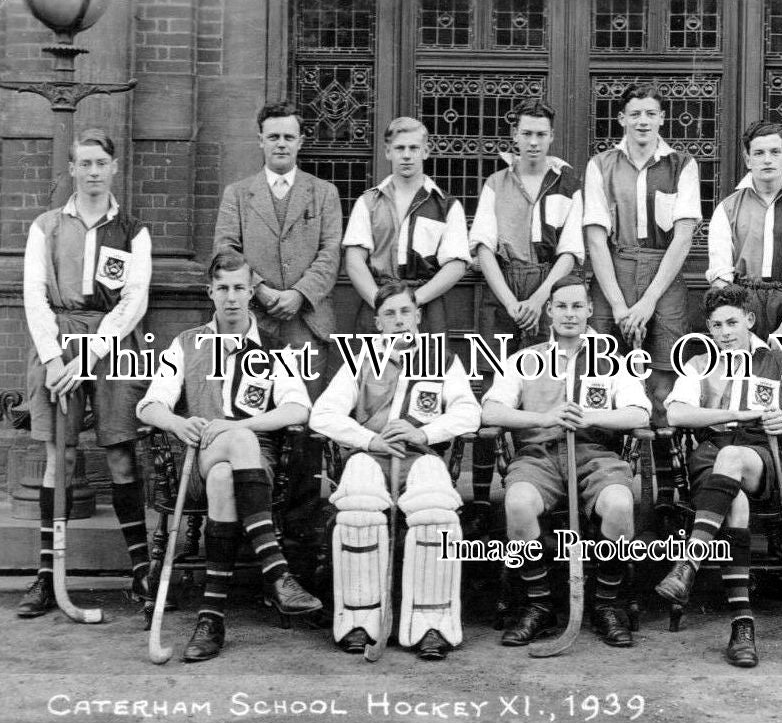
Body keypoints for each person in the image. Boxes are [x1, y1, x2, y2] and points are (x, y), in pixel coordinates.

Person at [137, 250, 323, 662]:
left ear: (252, 291)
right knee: (226, 458)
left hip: (258, 466)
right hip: (199, 455)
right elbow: (148, 405)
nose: (232, 297)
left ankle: (211, 618)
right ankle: (277, 573)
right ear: (211, 292)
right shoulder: (186, 343)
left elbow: (298, 409)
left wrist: (241, 427)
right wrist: (176, 423)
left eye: (240, 287)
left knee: (229, 469)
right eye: (223, 288)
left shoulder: (275, 348)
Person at [654, 285, 782, 667]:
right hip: (711, 459)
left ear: (749, 321)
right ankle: (742, 626)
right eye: (716, 325)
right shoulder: (699, 363)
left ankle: (689, 562)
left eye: (732, 322)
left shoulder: (778, 360)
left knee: (734, 458)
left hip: (759, 458)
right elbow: (677, 415)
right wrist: (734, 415)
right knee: (736, 505)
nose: (724, 332)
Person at [19, 129, 153, 618]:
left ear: (114, 167)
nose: (94, 172)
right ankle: (45, 575)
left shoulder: (133, 230)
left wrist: (90, 354)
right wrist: (55, 357)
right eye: (85, 164)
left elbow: (134, 300)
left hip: (113, 344)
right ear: (72, 169)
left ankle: (140, 572)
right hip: (57, 338)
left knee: (119, 452)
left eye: (102, 163)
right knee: (62, 455)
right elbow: (33, 293)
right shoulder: (47, 226)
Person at [309, 280, 480, 660]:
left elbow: (469, 413)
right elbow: (322, 415)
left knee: (435, 508)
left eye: (405, 312)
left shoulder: (442, 360)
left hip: (422, 456)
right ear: (377, 323)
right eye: (390, 314)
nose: (399, 320)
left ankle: (431, 623)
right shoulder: (362, 359)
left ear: (418, 315)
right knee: (358, 505)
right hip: (371, 456)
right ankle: (359, 620)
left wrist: (423, 431)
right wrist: (369, 440)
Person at [481, 276, 652, 649]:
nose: (570, 314)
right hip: (539, 456)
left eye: (578, 306)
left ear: (590, 310)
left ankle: (606, 604)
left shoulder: (611, 361)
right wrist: (542, 419)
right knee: (519, 503)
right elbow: (491, 409)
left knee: (620, 504)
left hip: (595, 456)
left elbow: (639, 414)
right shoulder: (525, 360)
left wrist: (592, 417)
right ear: (550, 311)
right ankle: (540, 605)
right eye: (562, 306)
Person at [582, 81, 701, 524]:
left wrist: (648, 299)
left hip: (664, 275)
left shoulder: (682, 164)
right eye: (635, 114)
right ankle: (605, 479)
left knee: (665, 374)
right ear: (622, 119)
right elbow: (595, 235)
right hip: (613, 269)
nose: (643, 121)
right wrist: (616, 303)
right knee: (602, 366)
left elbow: (685, 235)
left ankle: (666, 493)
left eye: (651, 113)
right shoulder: (602, 164)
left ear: (661, 119)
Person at [468, 98, 585, 535]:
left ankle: (548, 481)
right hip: (502, 289)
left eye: (541, 134)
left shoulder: (567, 183)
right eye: (526, 134)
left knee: (547, 383)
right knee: (494, 385)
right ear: (513, 137)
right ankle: (482, 500)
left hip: (549, 287)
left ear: (551, 137)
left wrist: (539, 299)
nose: (533, 142)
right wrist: (510, 299)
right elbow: (482, 247)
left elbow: (572, 250)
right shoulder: (496, 183)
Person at [213, 101, 343, 396]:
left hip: (306, 320)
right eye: (273, 137)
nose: (281, 144)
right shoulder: (238, 193)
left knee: (304, 412)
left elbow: (331, 252)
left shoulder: (324, 193)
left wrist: (299, 294)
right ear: (261, 140)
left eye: (288, 137)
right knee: (251, 402)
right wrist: (259, 289)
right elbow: (225, 250)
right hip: (254, 315)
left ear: (300, 142)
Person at [343, 117, 469, 337]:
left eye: (414, 148)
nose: (407, 155)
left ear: (426, 151)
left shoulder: (447, 205)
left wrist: (413, 301)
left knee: (428, 369)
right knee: (373, 369)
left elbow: (456, 265)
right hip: (378, 302)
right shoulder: (369, 202)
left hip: (426, 305)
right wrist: (381, 302)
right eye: (400, 148)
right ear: (388, 152)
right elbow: (354, 260)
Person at [707, 122, 782, 342]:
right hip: (743, 305)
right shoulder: (728, 207)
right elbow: (720, 275)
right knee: (745, 373)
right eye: (759, 153)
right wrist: (739, 322)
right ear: (747, 160)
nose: (767, 159)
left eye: (775, 152)